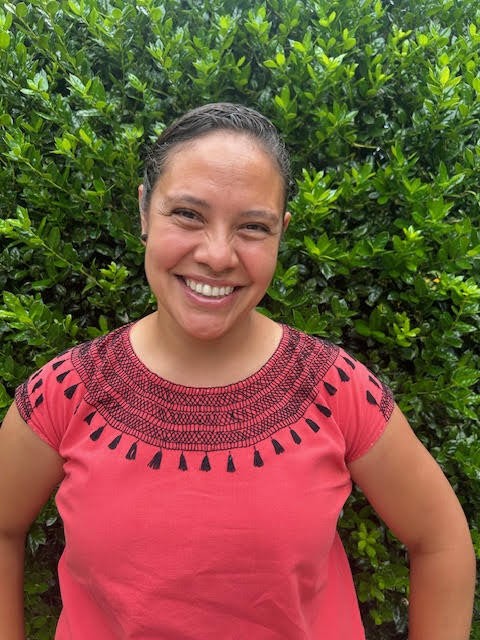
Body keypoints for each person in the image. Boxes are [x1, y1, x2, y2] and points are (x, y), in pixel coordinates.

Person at [0, 103, 475, 640]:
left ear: (280, 234)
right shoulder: (65, 392)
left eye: (253, 226)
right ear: (144, 210)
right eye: (188, 214)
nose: (218, 255)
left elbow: (441, 539)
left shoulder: (335, 389)